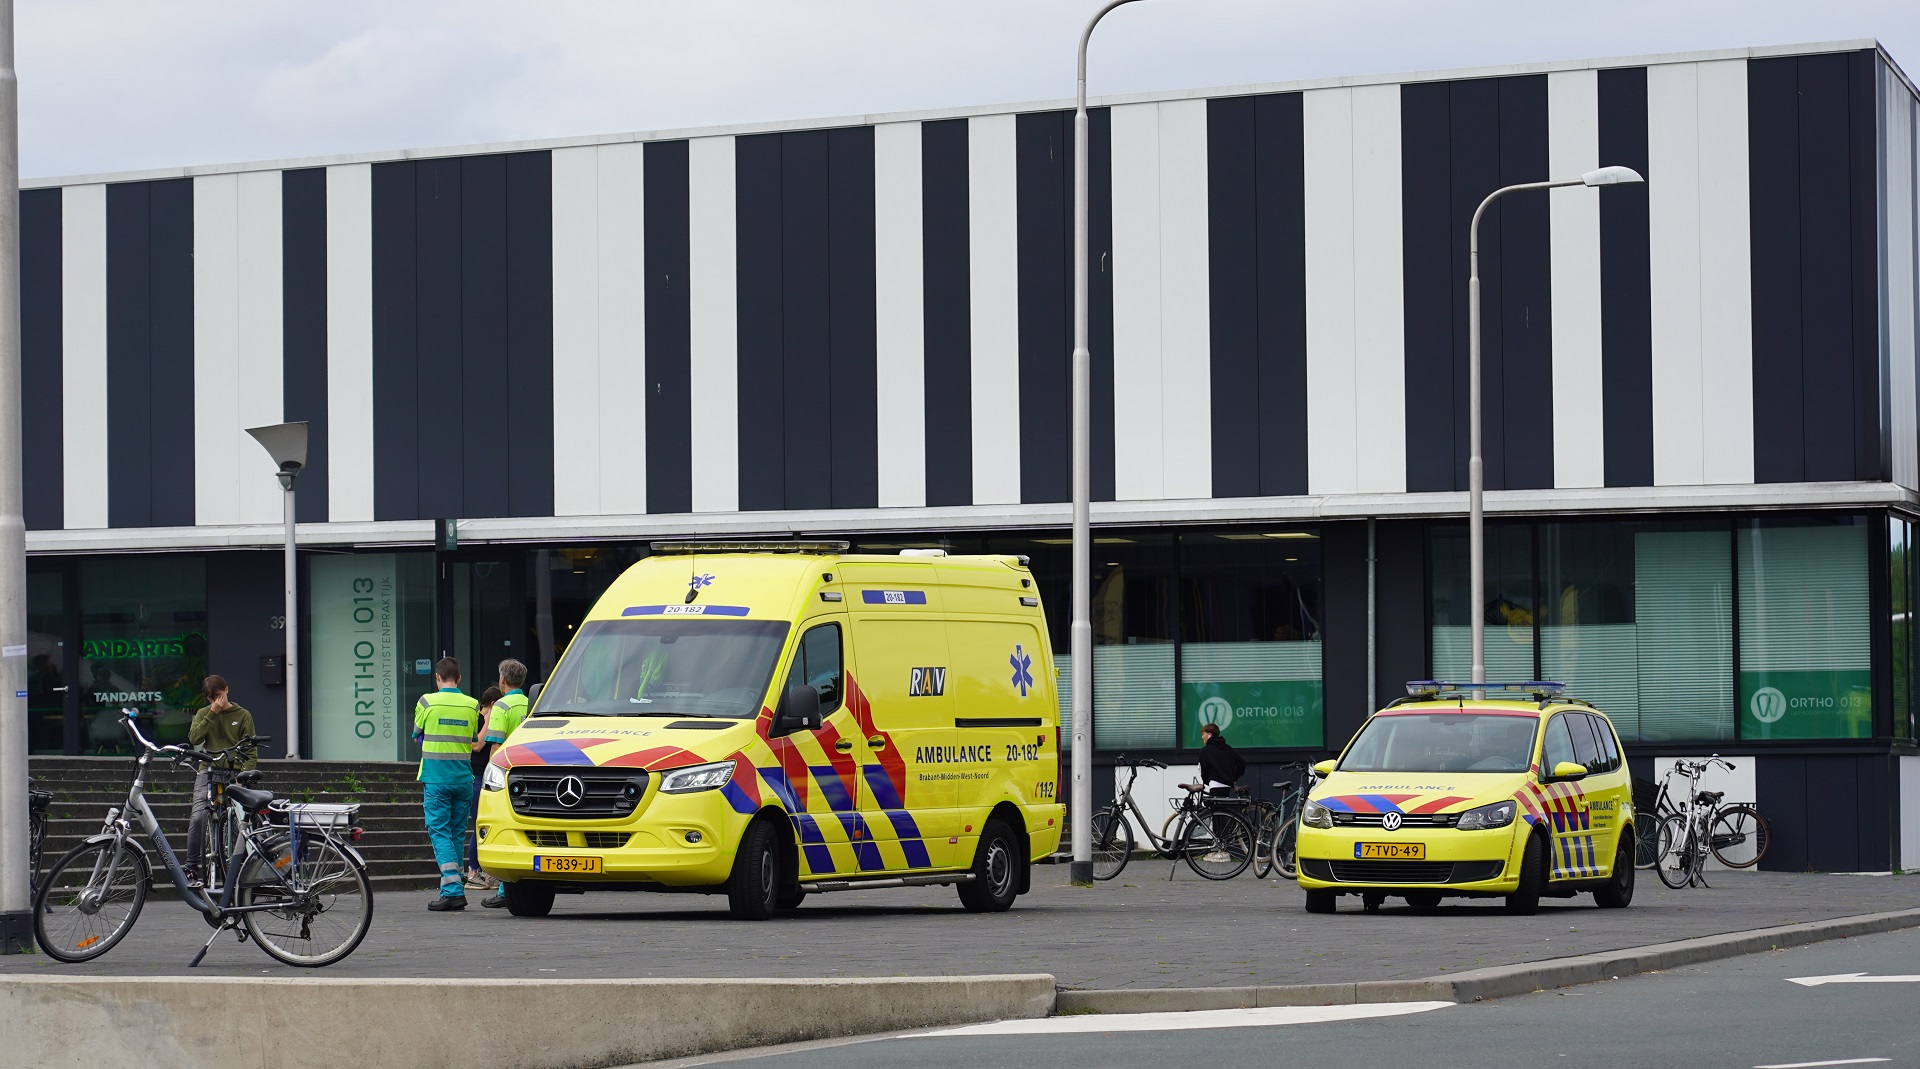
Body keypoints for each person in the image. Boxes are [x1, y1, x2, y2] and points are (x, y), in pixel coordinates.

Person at [416, 657, 482, 912]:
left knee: (439, 832)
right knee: (455, 834)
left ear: (437, 677)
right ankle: (453, 889)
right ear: (460, 678)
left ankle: (453, 890)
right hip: (463, 779)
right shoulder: (472, 705)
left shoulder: (426, 701)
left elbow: (417, 734)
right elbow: (473, 738)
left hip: (436, 779)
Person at [185, 676, 256, 888]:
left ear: (227, 689)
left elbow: (251, 751)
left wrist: (244, 776)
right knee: (198, 817)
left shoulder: (243, 715)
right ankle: (192, 866)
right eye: (211, 698)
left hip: (233, 773)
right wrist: (212, 713)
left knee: (237, 821)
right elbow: (195, 738)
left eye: (219, 696)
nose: (216, 701)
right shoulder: (203, 713)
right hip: (208, 770)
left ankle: (241, 866)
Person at [478, 660, 531, 909]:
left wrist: (491, 778)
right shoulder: (532, 702)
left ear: (502, 680)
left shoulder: (501, 706)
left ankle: (503, 888)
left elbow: (496, 746)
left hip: (508, 773)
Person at [464, 686, 503, 892]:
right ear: (492, 705)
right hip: (476, 777)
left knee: (484, 824)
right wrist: (489, 720)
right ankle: (473, 873)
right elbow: (477, 746)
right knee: (479, 825)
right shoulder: (479, 720)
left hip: (483, 777)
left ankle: (485, 872)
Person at [1197, 722, 1246, 864]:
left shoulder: (1206, 751)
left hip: (1215, 785)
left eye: (1203, 734)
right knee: (1221, 815)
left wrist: (1207, 780)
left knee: (1217, 817)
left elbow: (1204, 769)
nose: (1202, 737)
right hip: (1225, 786)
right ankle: (1220, 849)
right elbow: (1242, 763)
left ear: (1209, 735)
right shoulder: (1227, 749)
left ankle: (1221, 851)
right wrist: (1233, 779)